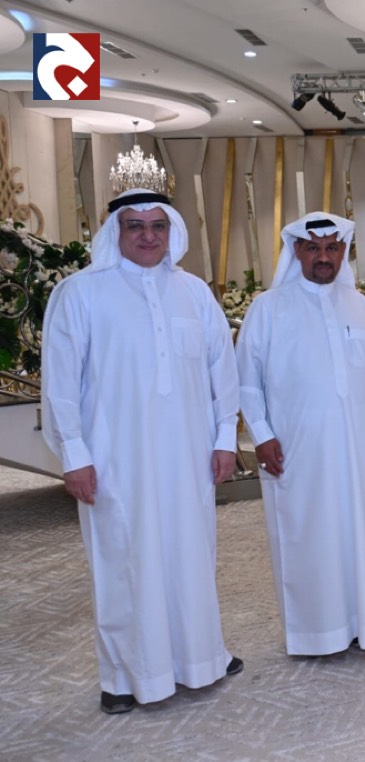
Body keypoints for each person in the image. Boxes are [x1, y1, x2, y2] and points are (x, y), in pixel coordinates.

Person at [40, 188, 243, 714]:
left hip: (189, 456)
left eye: (158, 225)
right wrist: (74, 456)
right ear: (117, 232)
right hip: (116, 460)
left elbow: (222, 370)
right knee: (123, 561)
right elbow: (61, 384)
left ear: (172, 230)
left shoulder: (194, 292)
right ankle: (124, 676)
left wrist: (225, 439)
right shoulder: (80, 293)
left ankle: (203, 657)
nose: (149, 236)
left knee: (192, 554)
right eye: (136, 226)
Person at [236, 213, 365, 656]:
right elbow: (247, 382)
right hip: (297, 450)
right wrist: (262, 435)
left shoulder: (360, 306)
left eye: (332, 248)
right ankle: (314, 633)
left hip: (359, 450)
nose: (324, 257)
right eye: (313, 248)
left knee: (358, 534)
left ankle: (362, 624)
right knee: (306, 535)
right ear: (297, 252)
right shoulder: (268, 308)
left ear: (343, 252)